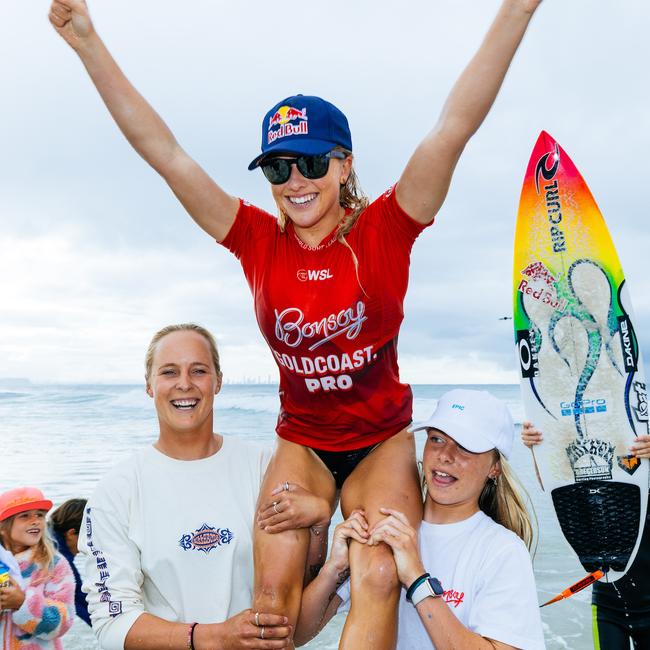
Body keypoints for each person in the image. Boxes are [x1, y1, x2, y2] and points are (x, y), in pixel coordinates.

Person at [48, 1, 544, 645]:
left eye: (312, 163)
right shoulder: (256, 239)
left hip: (380, 441)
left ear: (344, 164)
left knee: (374, 574)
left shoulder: (387, 229)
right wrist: (88, 42)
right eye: (279, 168)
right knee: (270, 607)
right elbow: (165, 154)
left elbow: (454, 126)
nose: (296, 182)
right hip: (303, 442)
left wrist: (518, 9)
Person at [78, 323, 328, 650]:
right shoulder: (117, 490)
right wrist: (215, 637)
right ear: (150, 386)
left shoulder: (264, 468)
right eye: (169, 372)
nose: (184, 384)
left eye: (198, 370)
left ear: (218, 381)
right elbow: (112, 623)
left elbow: (297, 607)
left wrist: (320, 524)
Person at [295, 389, 545, 650]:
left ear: (494, 467)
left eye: (464, 446)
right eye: (436, 439)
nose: (445, 455)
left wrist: (416, 579)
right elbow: (298, 635)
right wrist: (334, 569)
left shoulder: (502, 550)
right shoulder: (388, 526)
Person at [522, 422, 650, 650]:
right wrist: (539, 448)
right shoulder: (598, 484)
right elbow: (555, 484)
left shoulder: (638, 473)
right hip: (608, 605)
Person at [0, 486, 76, 649]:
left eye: (40, 515)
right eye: (24, 516)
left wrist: (23, 602)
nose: (35, 520)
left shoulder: (54, 565)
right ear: (2, 528)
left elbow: (64, 621)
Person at [49, 498, 91, 626]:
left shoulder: (46, 532)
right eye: (88, 538)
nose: (87, 546)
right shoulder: (58, 555)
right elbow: (79, 599)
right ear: (71, 533)